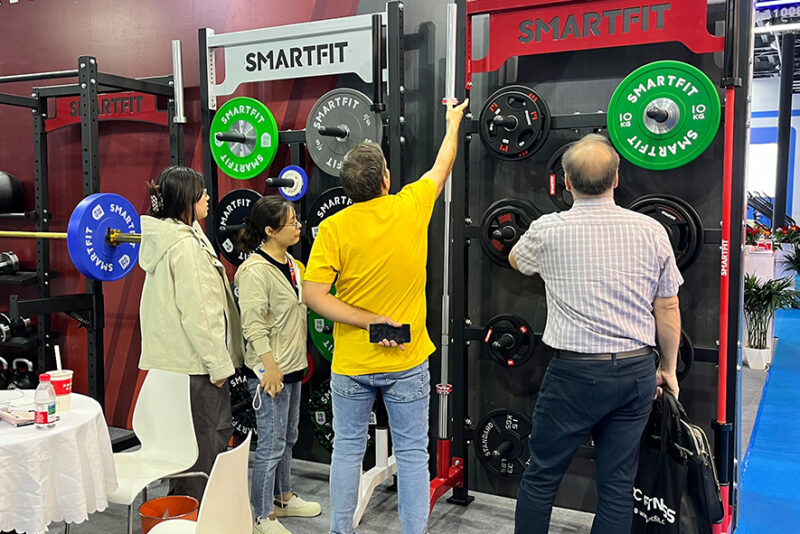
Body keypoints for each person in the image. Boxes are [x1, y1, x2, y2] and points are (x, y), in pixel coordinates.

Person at [302, 98, 469, 534]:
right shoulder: (410, 205)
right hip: (405, 361)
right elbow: (442, 165)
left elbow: (313, 295)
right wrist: (452, 122)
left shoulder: (334, 228)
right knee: (412, 455)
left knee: (347, 452)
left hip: (352, 363)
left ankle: (341, 531)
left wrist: (366, 321)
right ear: (386, 180)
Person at [508, 134, 683, 534]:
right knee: (618, 486)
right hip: (636, 372)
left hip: (574, 376)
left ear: (566, 182)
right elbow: (668, 307)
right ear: (616, 180)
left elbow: (517, 259)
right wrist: (668, 368)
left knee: (541, 477)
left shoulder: (547, 230)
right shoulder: (651, 230)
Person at [138, 166, 245, 501]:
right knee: (205, 447)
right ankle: (198, 517)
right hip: (198, 368)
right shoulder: (184, 247)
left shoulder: (172, 236)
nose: (208, 197)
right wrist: (219, 365)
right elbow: (201, 313)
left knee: (184, 448)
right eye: (202, 193)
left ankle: (183, 513)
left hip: (178, 367)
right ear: (187, 200)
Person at [234, 196, 322, 534]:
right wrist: (269, 367)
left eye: (297, 220)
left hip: (293, 366)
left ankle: (283, 498)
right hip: (270, 372)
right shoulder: (254, 271)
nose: (298, 226)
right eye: (291, 222)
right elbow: (253, 325)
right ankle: (261, 515)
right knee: (270, 445)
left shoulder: (294, 265)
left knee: (288, 437)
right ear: (270, 231)